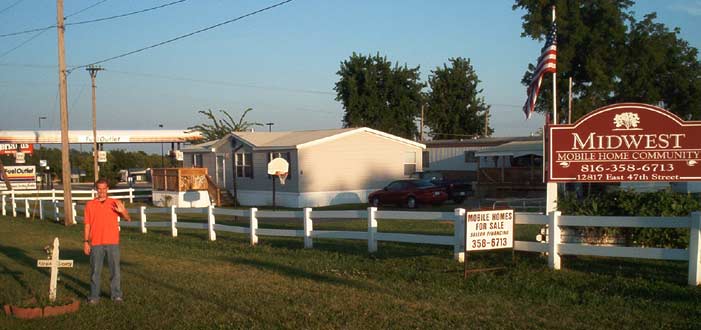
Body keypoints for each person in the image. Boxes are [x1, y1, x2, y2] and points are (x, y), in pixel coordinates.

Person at [83, 178, 131, 304]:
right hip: (96, 243)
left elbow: (128, 218)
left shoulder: (115, 203)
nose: (102, 191)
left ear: (108, 189)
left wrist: (123, 211)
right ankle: (94, 296)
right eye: (99, 188)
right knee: (95, 272)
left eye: (104, 188)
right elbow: (87, 224)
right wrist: (86, 242)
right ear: (96, 189)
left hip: (112, 242)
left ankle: (116, 295)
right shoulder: (89, 205)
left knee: (115, 271)